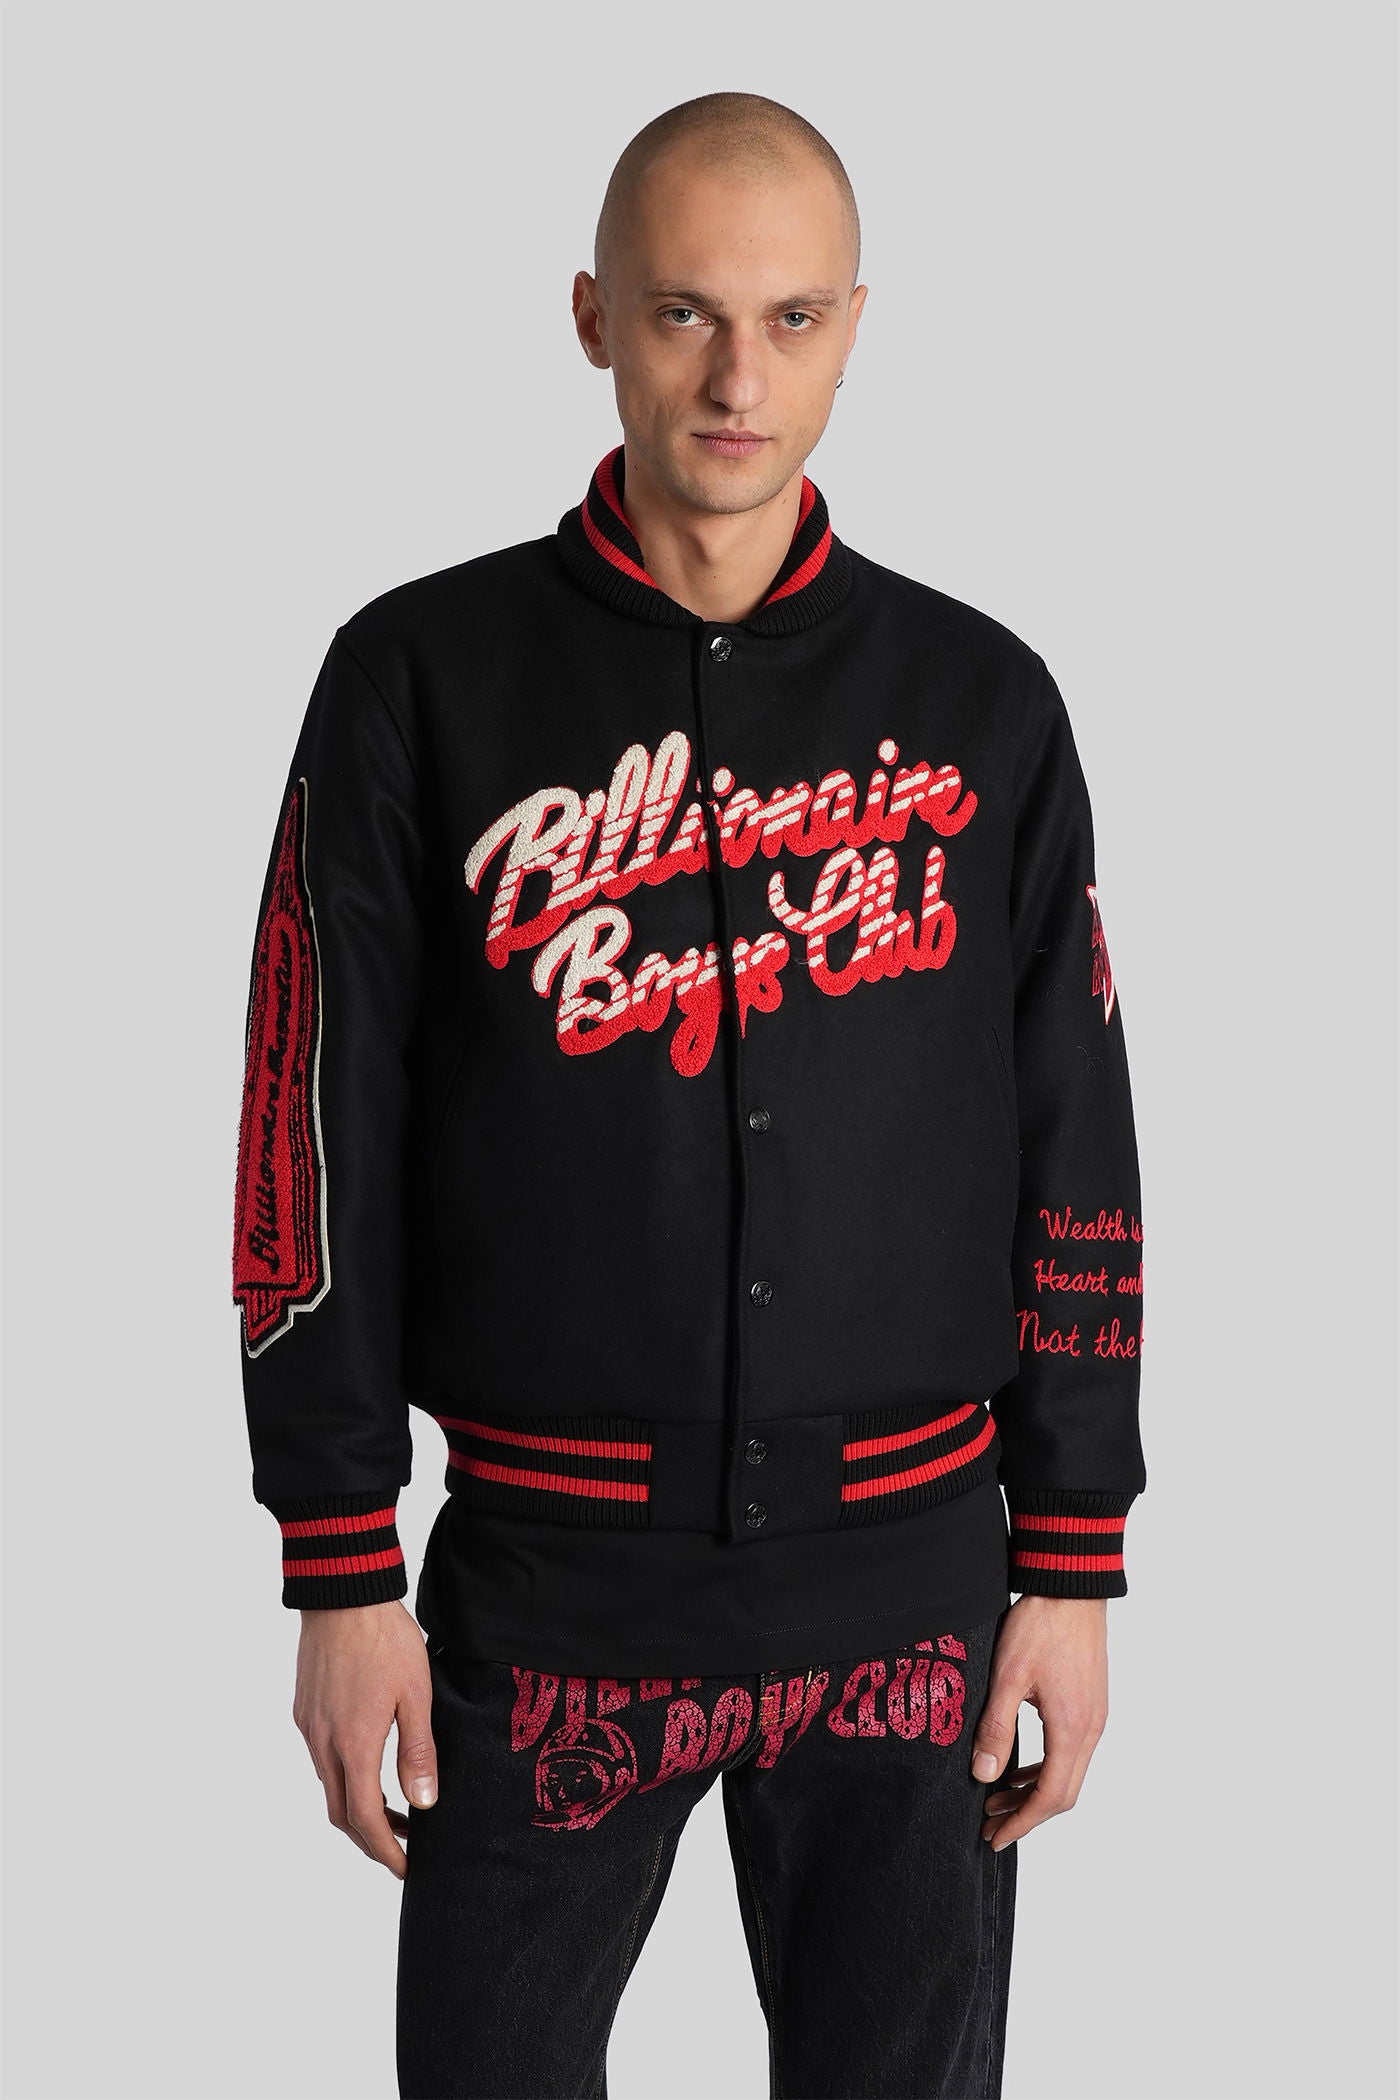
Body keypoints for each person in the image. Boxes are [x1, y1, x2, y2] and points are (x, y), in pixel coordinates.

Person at [231, 90, 1146, 2100]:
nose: (740, 378)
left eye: (792, 318)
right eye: (684, 314)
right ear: (591, 317)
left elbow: (1074, 1135)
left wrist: (1073, 1555)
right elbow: (309, 1131)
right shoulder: (416, 680)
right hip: (553, 1585)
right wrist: (339, 1563)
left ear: (853, 329)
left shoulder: (983, 702)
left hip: (911, 1581)